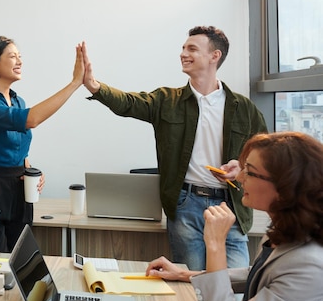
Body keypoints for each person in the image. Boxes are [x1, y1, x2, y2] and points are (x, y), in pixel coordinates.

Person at [81, 26, 268, 270]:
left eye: (192, 48)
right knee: (189, 285)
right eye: (183, 48)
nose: (183, 53)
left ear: (215, 56)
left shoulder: (243, 107)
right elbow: (128, 103)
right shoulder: (166, 101)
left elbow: (265, 151)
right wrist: (94, 85)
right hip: (186, 204)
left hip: (230, 206)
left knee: (233, 287)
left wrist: (242, 168)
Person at [145, 132, 323, 301]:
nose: (239, 178)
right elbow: (257, 274)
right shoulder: (288, 232)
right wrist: (186, 275)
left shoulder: (312, 266)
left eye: (249, 171)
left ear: (285, 187)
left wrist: (216, 244)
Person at [0, 36, 84, 252]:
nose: (19, 61)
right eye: (12, 56)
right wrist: (74, 83)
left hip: (18, 188)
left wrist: (30, 170)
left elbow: (18, 147)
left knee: (21, 255)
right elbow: (32, 120)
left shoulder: (19, 102)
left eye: (20, 57)